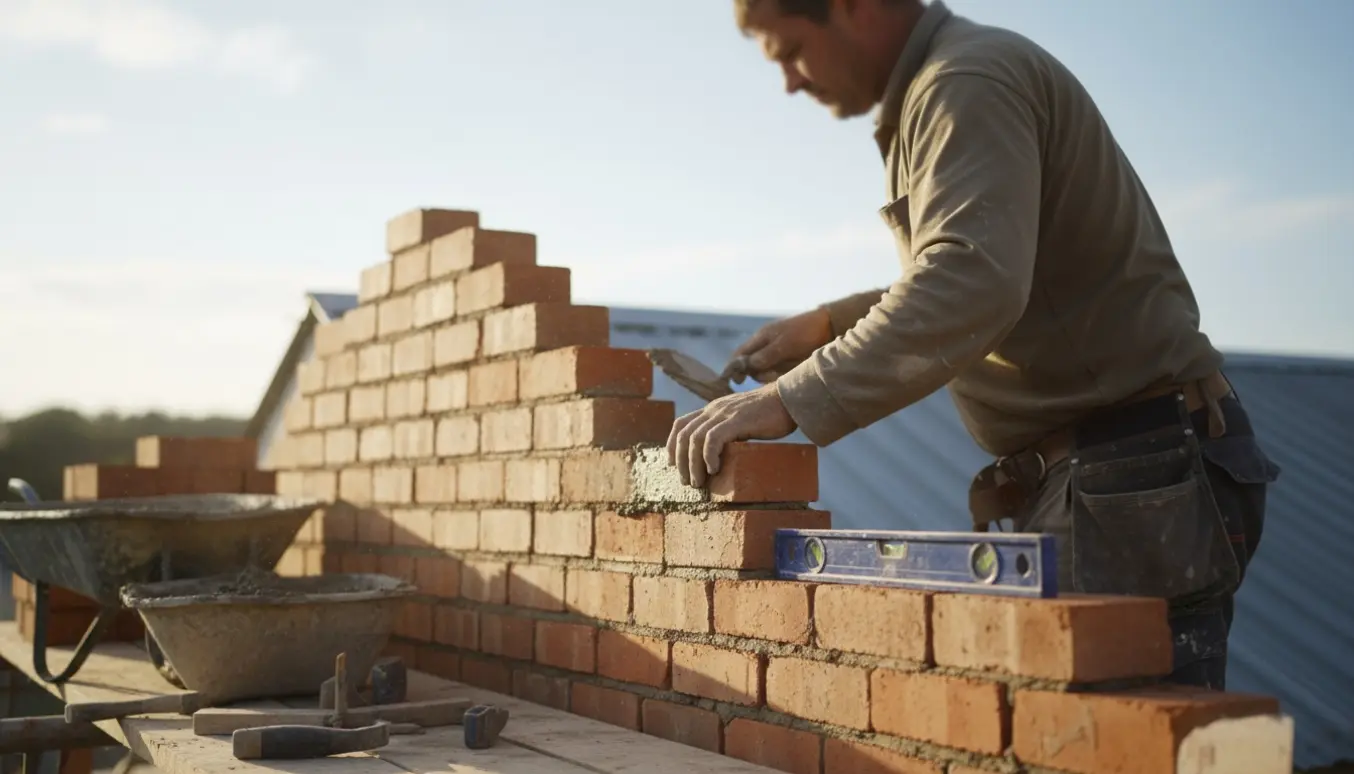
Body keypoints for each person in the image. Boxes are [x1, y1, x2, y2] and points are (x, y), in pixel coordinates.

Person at [665, 0, 1282, 690]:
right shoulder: (949, 81)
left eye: (789, 52)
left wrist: (786, 400)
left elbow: (972, 280)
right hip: (1116, 469)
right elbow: (1000, 267)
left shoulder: (963, 81)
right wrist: (830, 323)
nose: (791, 82)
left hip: (1130, 472)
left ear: (853, 8)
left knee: (1116, 738)